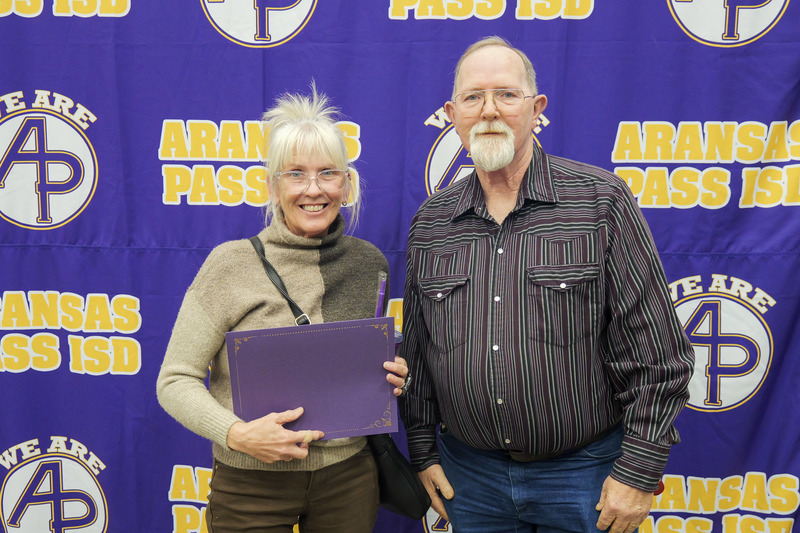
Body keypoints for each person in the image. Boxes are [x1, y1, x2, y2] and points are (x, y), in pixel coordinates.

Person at [399, 36, 695, 533]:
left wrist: (639, 471)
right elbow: (422, 353)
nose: (489, 110)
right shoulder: (432, 223)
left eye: (506, 95)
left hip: (585, 474)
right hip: (468, 479)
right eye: (473, 98)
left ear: (536, 109)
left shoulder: (600, 202)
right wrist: (424, 451)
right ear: (453, 114)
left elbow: (659, 357)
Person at [157, 86, 408, 533]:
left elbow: (361, 366)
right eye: (296, 174)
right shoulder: (229, 264)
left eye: (328, 173)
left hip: (349, 478)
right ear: (273, 185)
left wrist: (390, 376)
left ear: (346, 185)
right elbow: (174, 379)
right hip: (251, 482)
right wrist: (237, 433)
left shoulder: (369, 263)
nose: (314, 189)